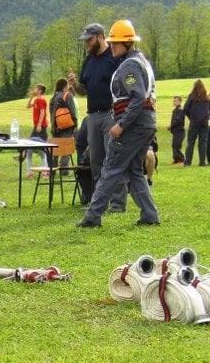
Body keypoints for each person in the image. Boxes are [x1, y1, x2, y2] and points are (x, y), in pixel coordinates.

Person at [77, 20, 160, 229]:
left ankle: (92, 216)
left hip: (134, 125)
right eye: (111, 42)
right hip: (146, 124)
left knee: (111, 168)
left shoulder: (130, 65)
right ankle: (149, 214)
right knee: (133, 170)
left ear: (128, 44)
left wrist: (121, 125)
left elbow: (138, 97)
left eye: (116, 43)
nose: (112, 46)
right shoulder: (141, 60)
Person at [68, 23, 125, 207]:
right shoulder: (88, 60)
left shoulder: (114, 57)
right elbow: (83, 91)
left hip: (111, 114)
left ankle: (117, 203)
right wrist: (74, 84)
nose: (87, 44)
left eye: (89, 40)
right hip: (92, 116)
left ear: (100, 36)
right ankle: (101, 201)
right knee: (96, 161)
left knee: (113, 158)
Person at [183, 80, 210, 166]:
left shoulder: (191, 97)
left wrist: (190, 117)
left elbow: (185, 108)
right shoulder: (206, 98)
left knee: (190, 142)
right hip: (204, 122)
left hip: (194, 122)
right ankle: (202, 162)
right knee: (203, 142)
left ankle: (188, 162)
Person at [168, 95, 185, 165]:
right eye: (174, 101)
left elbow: (178, 120)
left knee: (177, 145)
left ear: (180, 102)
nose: (174, 102)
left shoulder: (180, 110)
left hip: (180, 131)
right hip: (176, 131)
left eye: (176, 101)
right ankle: (176, 159)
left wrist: (171, 126)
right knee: (174, 145)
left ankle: (182, 158)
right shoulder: (175, 110)